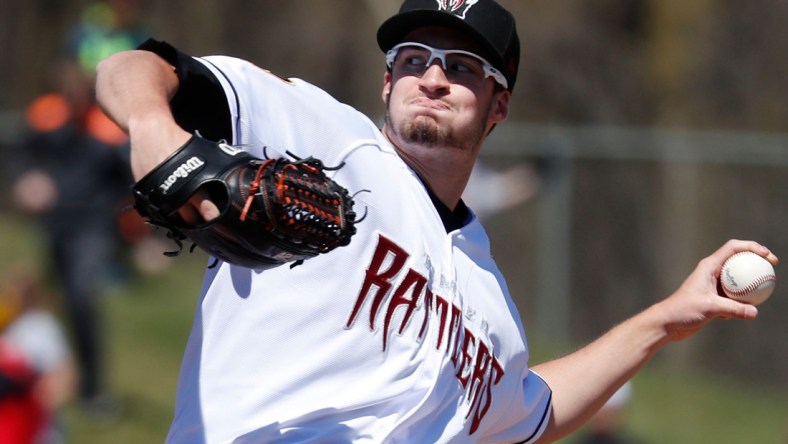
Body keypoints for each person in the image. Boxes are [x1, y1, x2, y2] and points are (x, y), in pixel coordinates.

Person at [94, 0, 778, 442]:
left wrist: (668, 318)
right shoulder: (321, 135)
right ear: (387, 83)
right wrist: (155, 123)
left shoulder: (490, 300)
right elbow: (134, 66)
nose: (432, 76)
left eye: (462, 66)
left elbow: (532, 410)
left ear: (499, 106)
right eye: (412, 60)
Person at [0, 268, 76, 444]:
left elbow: (64, 377)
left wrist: (36, 405)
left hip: (35, 427)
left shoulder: (41, 326)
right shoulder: (8, 327)